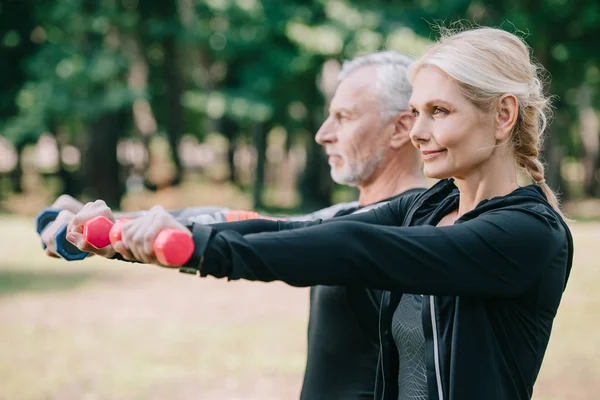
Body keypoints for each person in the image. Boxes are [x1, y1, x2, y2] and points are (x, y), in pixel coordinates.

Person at [90, 27, 573, 399]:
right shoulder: (431, 205)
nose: (417, 131)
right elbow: (308, 231)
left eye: (439, 112)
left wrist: (204, 249)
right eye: (416, 111)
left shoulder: (527, 233)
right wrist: (129, 236)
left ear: (503, 115)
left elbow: (359, 250)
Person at [41, 51, 427, 399]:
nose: (323, 133)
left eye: (344, 117)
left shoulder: (423, 232)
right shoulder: (347, 217)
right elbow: (251, 223)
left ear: (399, 129)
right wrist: (121, 223)